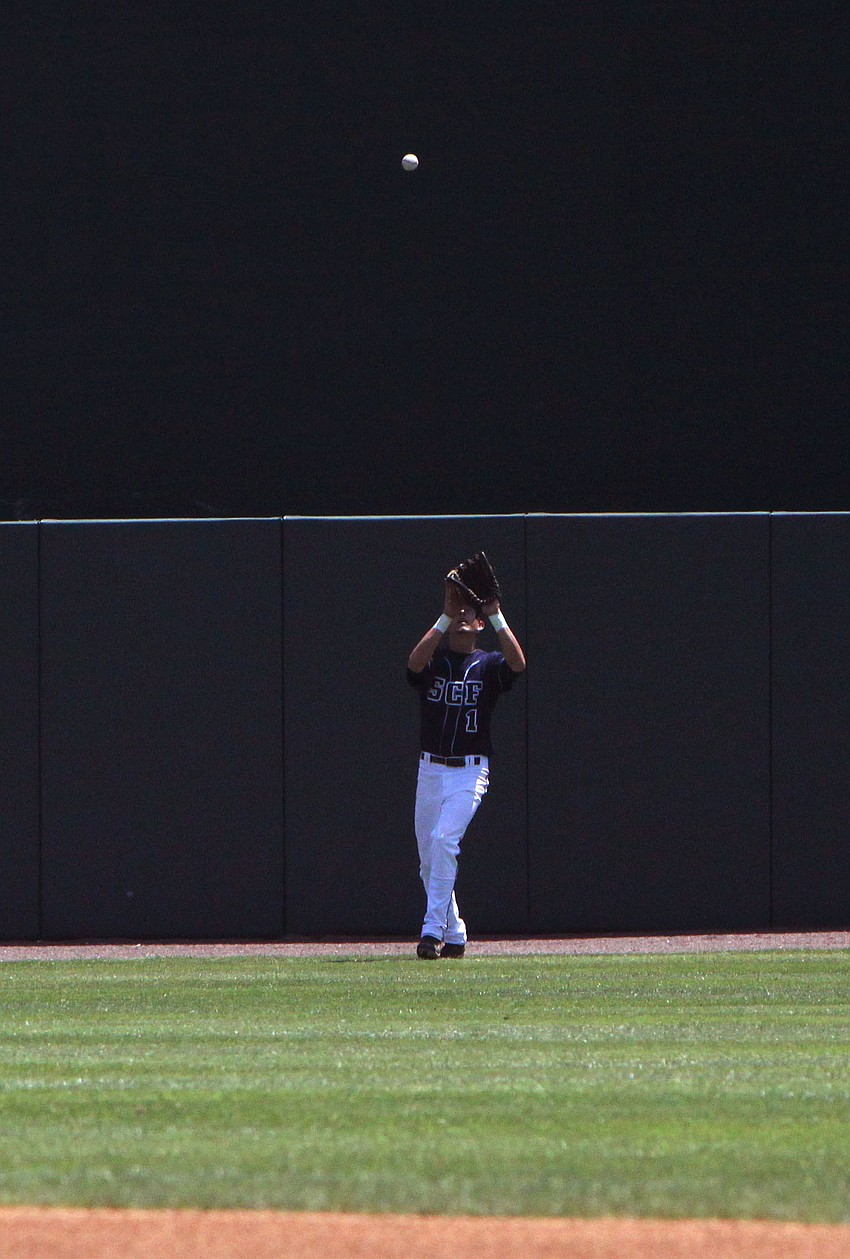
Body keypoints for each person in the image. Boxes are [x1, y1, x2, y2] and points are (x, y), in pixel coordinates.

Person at [406, 575, 526, 958]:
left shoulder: (487, 664)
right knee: (429, 860)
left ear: (477, 626)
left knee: (444, 840)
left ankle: (431, 932)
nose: (462, 616)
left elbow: (518, 664)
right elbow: (414, 664)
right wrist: (444, 616)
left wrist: (494, 615)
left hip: (469, 771)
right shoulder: (438, 660)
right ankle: (455, 934)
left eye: (467, 613)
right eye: (460, 610)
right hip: (431, 770)